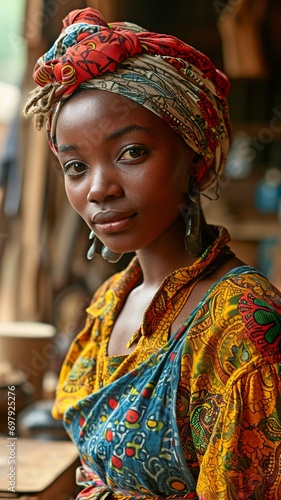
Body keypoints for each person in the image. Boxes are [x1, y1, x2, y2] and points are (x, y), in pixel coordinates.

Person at [23, 7, 281, 500]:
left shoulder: (244, 325)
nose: (99, 189)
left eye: (132, 153)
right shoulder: (110, 302)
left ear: (196, 160)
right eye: (76, 166)